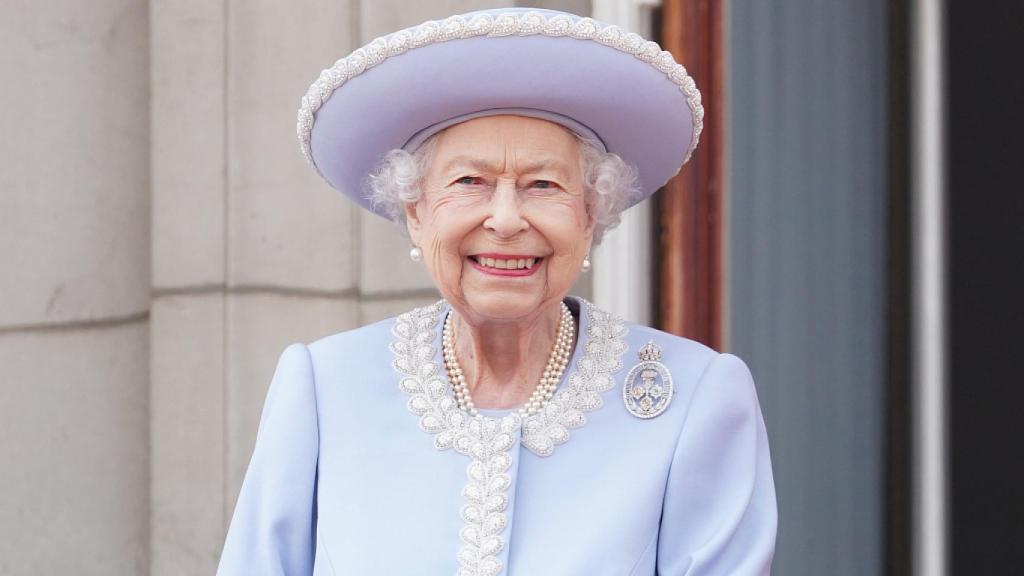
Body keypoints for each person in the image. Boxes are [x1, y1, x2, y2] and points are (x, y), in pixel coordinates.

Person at [217, 7, 776, 575]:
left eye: (542, 185)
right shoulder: (324, 388)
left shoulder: (694, 400)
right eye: (469, 182)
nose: (506, 219)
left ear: (590, 214)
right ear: (416, 211)